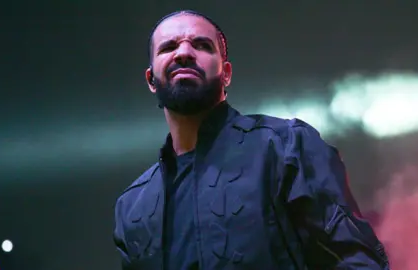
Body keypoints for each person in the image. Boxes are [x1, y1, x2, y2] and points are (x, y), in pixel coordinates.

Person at [113, 10, 390, 270]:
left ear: (227, 74)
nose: (184, 52)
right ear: (151, 79)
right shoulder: (133, 205)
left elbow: (355, 259)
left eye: (201, 45)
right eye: (168, 47)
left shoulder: (285, 146)